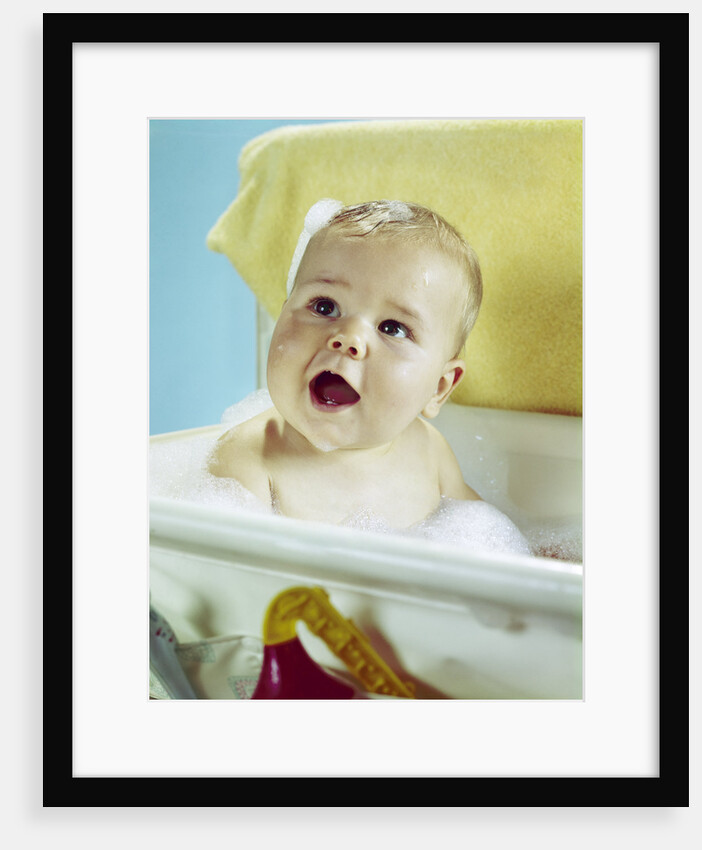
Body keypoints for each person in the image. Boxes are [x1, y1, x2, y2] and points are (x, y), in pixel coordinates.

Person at [209, 199, 485, 531]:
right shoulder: (247, 460)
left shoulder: (430, 452)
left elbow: (485, 542)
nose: (349, 337)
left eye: (392, 328)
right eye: (325, 306)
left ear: (439, 388)